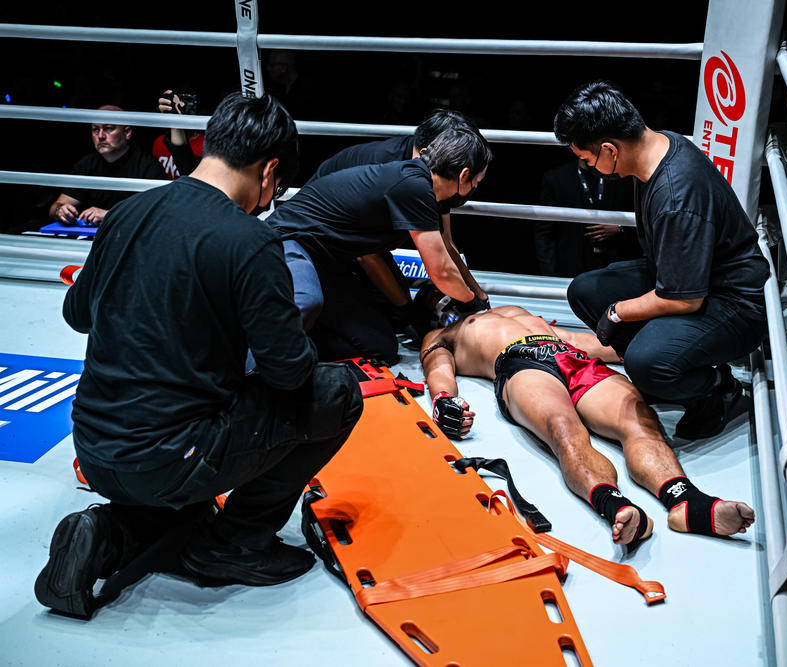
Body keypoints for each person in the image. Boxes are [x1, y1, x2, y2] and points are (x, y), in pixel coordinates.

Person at [35, 93, 364, 620]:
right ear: (270, 170)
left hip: (95, 450)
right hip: (175, 455)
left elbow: (78, 314)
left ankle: (104, 535)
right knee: (337, 391)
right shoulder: (250, 241)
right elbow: (289, 374)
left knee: (187, 505)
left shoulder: (127, 213)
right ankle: (236, 543)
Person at [420, 304, 755, 547]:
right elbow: (438, 368)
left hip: (570, 354)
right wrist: (443, 399)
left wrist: (657, 353)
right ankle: (616, 506)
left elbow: (575, 338)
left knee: (639, 421)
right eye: (436, 296)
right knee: (563, 429)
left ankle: (685, 501)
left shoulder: (512, 310)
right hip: (520, 362)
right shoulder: (441, 334)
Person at [554, 82, 769, 440]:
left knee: (645, 360)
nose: (589, 167)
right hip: (690, 278)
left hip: (734, 303)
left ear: (609, 149)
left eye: (588, 160)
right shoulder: (659, 145)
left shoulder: (675, 195)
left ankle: (717, 389)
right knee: (586, 290)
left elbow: (684, 300)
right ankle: (666, 372)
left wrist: (618, 312)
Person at [266, 126, 492, 365]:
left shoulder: (417, 182)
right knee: (313, 306)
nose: (474, 188)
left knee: (381, 347)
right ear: (464, 175)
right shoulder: (415, 188)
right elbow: (441, 271)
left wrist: (476, 295)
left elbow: (443, 253)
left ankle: (300, 347)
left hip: (328, 260)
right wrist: (472, 305)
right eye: (477, 182)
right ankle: (270, 355)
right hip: (292, 243)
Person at [49, 105, 166, 225]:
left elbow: (156, 215)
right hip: (92, 234)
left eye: (108, 128)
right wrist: (61, 211)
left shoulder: (147, 166)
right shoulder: (86, 164)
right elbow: (56, 207)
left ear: (127, 132)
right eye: (95, 129)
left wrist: (109, 215)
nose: (100, 136)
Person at [535, 157, 638, 277]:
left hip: (614, 266)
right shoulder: (556, 178)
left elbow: (642, 220)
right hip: (570, 268)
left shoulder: (621, 177)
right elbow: (544, 232)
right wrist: (550, 274)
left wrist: (620, 228)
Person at [152, 89, 204, 179]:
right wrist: (171, 115)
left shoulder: (206, 144)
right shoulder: (160, 142)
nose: (181, 110)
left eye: (187, 103)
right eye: (177, 103)